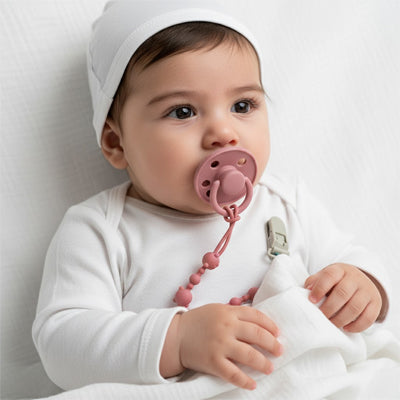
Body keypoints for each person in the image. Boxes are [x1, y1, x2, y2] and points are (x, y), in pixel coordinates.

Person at [32, 0, 389, 393]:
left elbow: (352, 258)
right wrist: (179, 339)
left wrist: (361, 284)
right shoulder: (101, 229)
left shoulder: (287, 203)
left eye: (242, 105)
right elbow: (62, 343)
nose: (224, 133)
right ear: (117, 143)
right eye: (183, 112)